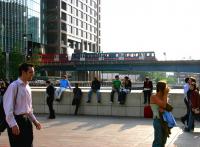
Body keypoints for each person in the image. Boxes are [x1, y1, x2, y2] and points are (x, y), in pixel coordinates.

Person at [3, 63, 41, 147]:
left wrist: (35, 121)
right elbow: (8, 107)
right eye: (30, 72)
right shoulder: (14, 86)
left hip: (27, 121)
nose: (33, 74)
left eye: (33, 72)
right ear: (23, 72)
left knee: (29, 144)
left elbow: (29, 108)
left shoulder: (28, 87)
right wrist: (13, 124)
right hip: (16, 121)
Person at [150, 81, 169, 147]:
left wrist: (165, 95)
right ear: (162, 88)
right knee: (158, 140)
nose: (168, 88)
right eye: (166, 87)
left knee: (164, 140)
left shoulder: (163, 97)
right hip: (158, 120)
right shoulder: (153, 97)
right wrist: (166, 94)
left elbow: (165, 107)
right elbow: (164, 105)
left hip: (165, 121)